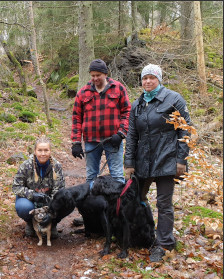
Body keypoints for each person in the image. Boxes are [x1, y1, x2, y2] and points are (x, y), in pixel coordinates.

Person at [124, 64, 191, 262]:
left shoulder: (174, 99)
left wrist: (181, 160)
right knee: (136, 198)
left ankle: (164, 244)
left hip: (167, 159)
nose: (148, 81)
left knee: (164, 203)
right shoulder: (137, 104)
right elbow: (132, 135)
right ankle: (141, 235)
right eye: (145, 78)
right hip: (142, 161)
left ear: (159, 79)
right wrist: (129, 163)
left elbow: (185, 131)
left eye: (152, 77)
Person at [71, 59, 131, 226]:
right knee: (91, 176)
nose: (95, 78)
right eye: (92, 76)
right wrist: (76, 142)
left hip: (113, 140)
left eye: (98, 75)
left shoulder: (118, 88)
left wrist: (121, 133)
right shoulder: (83, 92)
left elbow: (127, 111)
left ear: (106, 74)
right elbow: (76, 118)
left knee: (118, 176)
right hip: (91, 141)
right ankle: (92, 216)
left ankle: (118, 213)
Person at [12, 136, 65, 238]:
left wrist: (51, 210)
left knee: (66, 202)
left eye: (46, 150)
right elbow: (16, 187)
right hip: (31, 201)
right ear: (35, 151)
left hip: (49, 200)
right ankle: (31, 223)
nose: (43, 153)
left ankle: (52, 224)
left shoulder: (57, 166)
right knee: (23, 207)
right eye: (40, 150)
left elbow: (60, 189)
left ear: (50, 151)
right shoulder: (26, 166)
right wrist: (32, 195)